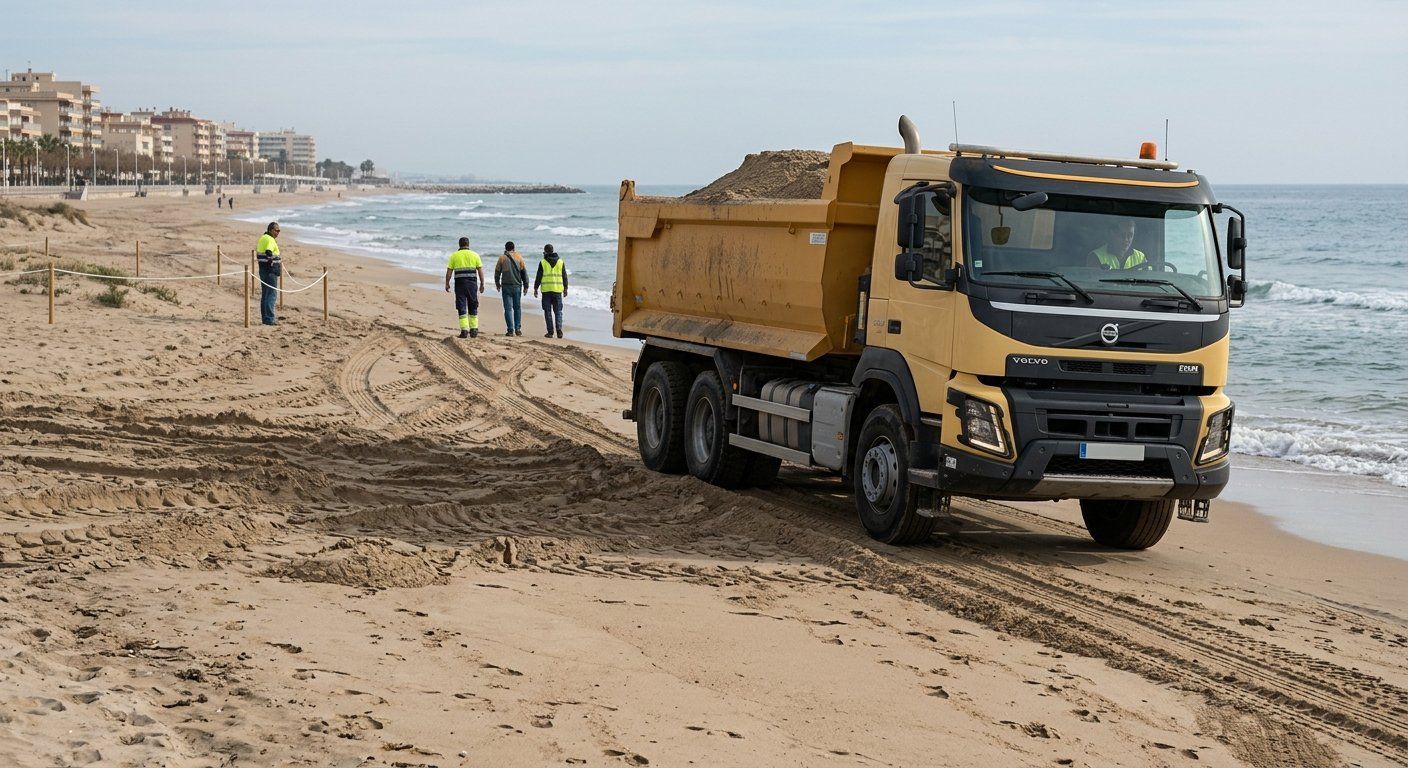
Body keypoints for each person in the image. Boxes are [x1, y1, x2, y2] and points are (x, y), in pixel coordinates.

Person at [444, 237, 485, 339]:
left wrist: (447, 283)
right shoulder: (475, 255)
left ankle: (464, 331)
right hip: (472, 285)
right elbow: (480, 271)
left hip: (460, 284)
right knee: (473, 305)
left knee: (461, 306)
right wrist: (482, 283)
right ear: (468, 244)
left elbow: (449, 271)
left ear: (459, 245)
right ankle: (474, 330)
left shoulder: (454, 256)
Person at [495, 241, 529, 337]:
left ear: (505, 248)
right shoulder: (519, 257)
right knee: (517, 308)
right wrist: (526, 286)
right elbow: (524, 273)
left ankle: (510, 330)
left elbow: (497, 272)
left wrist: (497, 283)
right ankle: (518, 329)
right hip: (517, 286)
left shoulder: (502, 258)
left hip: (506, 286)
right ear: (514, 248)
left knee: (508, 309)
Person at [533, 244, 568, 338]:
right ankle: (559, 330)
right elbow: (564, 276)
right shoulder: (560, 261)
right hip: (557, 291)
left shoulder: (543, 262)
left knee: (547, 311)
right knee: (558, 311)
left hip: (546, 291)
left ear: (545, 252)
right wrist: (566, 288)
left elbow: (539, 276)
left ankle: (550, 332)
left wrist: (535, 288)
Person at [255, 222, 282, 326]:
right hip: (270, 271)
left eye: (279, 230)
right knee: (271, 294)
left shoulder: (263, 238)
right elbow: (269, 252)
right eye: (276, 230)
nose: (278, 232)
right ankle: (269, 319)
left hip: (262, 269)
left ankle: (265, 318)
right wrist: (272, 266)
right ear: (271, 230)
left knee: (265, 294)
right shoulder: (270, 239)